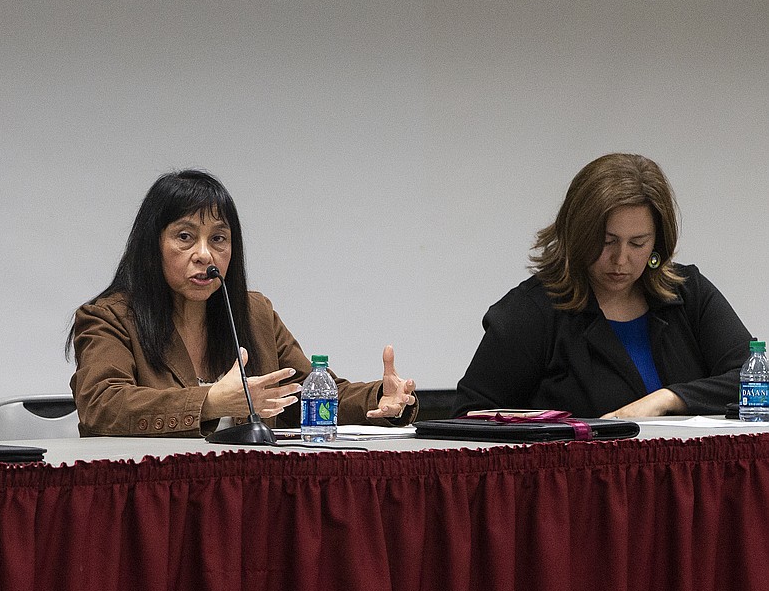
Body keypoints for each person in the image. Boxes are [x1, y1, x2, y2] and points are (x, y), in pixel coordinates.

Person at [68, 169, 418, 436]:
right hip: (158, 497)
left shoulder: (254, 314)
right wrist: (210, 402)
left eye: (218, 238)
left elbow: (305, 396)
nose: (204, 255)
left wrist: (380, 400)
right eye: (185, 237)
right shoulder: (108, 318)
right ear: (152, 245)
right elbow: (101, 406)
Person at [453, 152, 752, 418]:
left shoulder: (688, 293)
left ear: (657, 243)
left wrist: (668, 399)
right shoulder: (531, 311)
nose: (620, 260)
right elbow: (469, 416)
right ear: (577, 234)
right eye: (606, 242)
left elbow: (756, 381)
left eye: (638, 243)